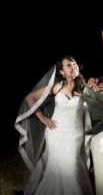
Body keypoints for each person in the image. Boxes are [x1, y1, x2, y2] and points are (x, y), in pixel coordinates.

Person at [14, 56, 94, 195]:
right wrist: (43, 118)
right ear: (62, 71)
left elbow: (97, 105)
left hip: (74, 135)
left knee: (71, 166)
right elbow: (30, 98)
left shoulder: (84, 88)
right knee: (55, 166)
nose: (73, 67)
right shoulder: (57, 87)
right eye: (68, 65)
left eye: (74, 64)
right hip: (55, 133)